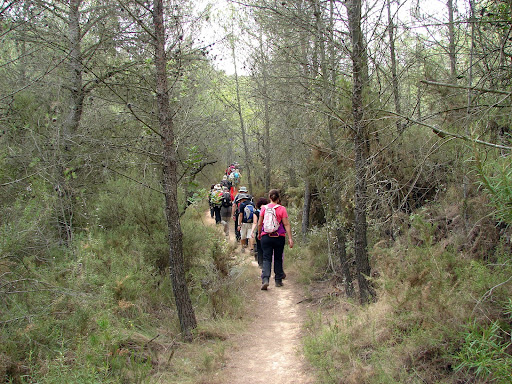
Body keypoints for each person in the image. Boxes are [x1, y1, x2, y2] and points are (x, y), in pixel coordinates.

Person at [257, 189, 293, 290]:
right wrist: (290, 238)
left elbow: (260, 223)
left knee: (266, 258)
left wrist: (259, 233)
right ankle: (278, 280)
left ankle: (265, 280)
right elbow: (286, 224)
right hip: (279, 236)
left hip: (266, 236)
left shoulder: (264, 208)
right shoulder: (282, 209)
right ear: (278, 198)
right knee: (277, 258)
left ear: (269, 197)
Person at [253, 197, 269, 267]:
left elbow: (255, 223)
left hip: (260, 231)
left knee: (259, 248)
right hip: (268, 231)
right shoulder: (268, 211)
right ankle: (267, 263)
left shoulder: (256, 212)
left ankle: (260, 263)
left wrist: (252, 231)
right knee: (266, 248)